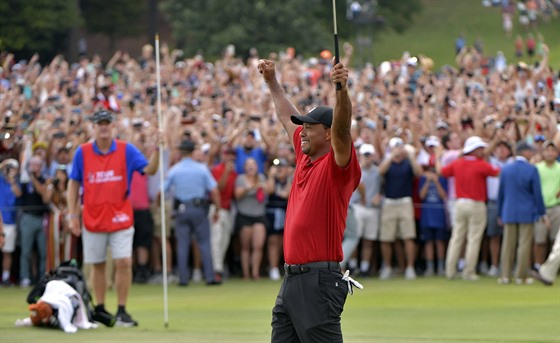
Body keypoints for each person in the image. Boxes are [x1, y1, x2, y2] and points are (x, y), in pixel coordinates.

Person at [259, 57, 361, 342]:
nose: (302, 131)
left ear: (326, 134)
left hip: (318, 281)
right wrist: (271, 82)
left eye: (310, 127)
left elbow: (342, 129)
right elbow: (285, 114)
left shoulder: (337, 166)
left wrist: (340, 88)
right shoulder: (305, 156)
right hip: (292, 279)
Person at [66, 110, 161, 327]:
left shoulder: (126, 149)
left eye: (107, 122)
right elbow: (73, 183)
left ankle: (121, 310)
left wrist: (157, 149)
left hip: (120, 215)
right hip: (93, 216)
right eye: (100, 123)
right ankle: (100, 309)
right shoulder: (83, 152)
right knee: (98, 265)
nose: (103, 127)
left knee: (124, 262)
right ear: (94, 126)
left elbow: (150, 169)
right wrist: (72, 214)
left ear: (113, 125)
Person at [438, 136, 500, 281]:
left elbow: (442, 172)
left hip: (459, 203)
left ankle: (450, 271)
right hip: (476, 204)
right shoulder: (480, 164)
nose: (482, 151)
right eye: (480, 149)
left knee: (456, 237)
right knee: (473, 238)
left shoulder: (458, 163)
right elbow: (496, 172)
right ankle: (468, 271)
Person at [164, 139, 221, 286]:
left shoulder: (175, 169)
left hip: (182, 209)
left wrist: (159, 204)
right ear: (192, 151)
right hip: (199, 209)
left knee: (182, 244)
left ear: (181, 152)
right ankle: (209, 277)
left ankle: (183, 278)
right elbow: (214, 191)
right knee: (204, 243)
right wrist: (218, 209)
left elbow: (162, 191)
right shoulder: (201, 169)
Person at [497, 141, 546, 284]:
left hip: (509, 210)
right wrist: (541, 212)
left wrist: (500, 212)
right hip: (527, 211)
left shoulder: (506, 169)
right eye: (530, 150)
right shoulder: (532, 169)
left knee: (508, 244)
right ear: (524, 152)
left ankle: (505, 275)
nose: (532, 153)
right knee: (524, 244)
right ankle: (520, 276)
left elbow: (501, 193)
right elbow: (537, 194)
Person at [14, 280, 98, 333]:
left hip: (69, 297)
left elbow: (64, 309)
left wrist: (64, 323)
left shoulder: (64, 302)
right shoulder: (44, 299)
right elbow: (37, 310)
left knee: (70, 310)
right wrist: (26, 321)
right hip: (55, 292)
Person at [234, 157, 270, 280]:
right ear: (244, 167)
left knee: (258, 245)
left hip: (259, 214)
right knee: (245, 246)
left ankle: (255, 273)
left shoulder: (262, 178)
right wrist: (251, 187)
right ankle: (246, 273)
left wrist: (264, 186)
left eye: (253, 164)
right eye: (248, 164)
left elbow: (269, 191)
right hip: (245, 215)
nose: (251, 166)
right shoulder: (240, 179)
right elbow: (237, 195)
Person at [209, 146, 238, 282]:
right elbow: (218, 189)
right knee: (216, 240)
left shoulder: (235, 173)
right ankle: (217, 270)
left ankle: (218, 268)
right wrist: (226, 173)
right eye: (228, 154)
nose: (230, 158)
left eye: (232, 155)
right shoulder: (217, 170)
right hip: (216, 208)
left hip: (228, 209)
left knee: (225, 241)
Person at [533, 140, 560, 270]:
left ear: (557, 153)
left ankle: (551, 268)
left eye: (552, 150)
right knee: (539, 240)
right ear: (543, 153)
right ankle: (538, 265)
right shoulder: (537, 168)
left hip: (556, 207)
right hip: (540, 208)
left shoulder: (559, 168)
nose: (550, 153)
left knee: (555, 240)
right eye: (547, 150)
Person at [0, 158, 18, 285]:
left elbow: (18, 194)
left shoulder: (16, 182)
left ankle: (5, 278)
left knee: (7, 251)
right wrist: (3, 166)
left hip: (10, 221)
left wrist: (12, 181)